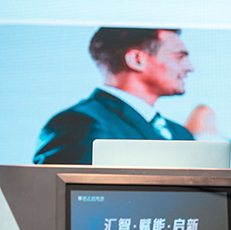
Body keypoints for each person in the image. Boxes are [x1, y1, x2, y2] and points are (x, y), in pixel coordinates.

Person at [33, 27, 195, 165]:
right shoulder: (79, 123)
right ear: (136, 60)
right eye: (179, 57)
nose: (189, 67)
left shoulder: (180, 133)